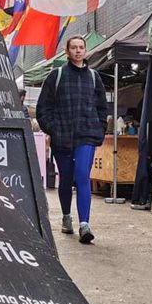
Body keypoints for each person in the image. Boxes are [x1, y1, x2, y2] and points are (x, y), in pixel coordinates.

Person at [36, 35, 108, 244]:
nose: (78, 51)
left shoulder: (94, 78)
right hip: (63, 136)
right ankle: (67, 217)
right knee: (66, 179)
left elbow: (102, 108)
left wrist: (99, 128)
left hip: (86, 135)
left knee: (83, 175)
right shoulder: (56, 76)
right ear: (67, 52)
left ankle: (84, 224)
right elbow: (43, 109)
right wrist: (53, 129)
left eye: (81, 47)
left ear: (85, 51)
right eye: (74, 48)